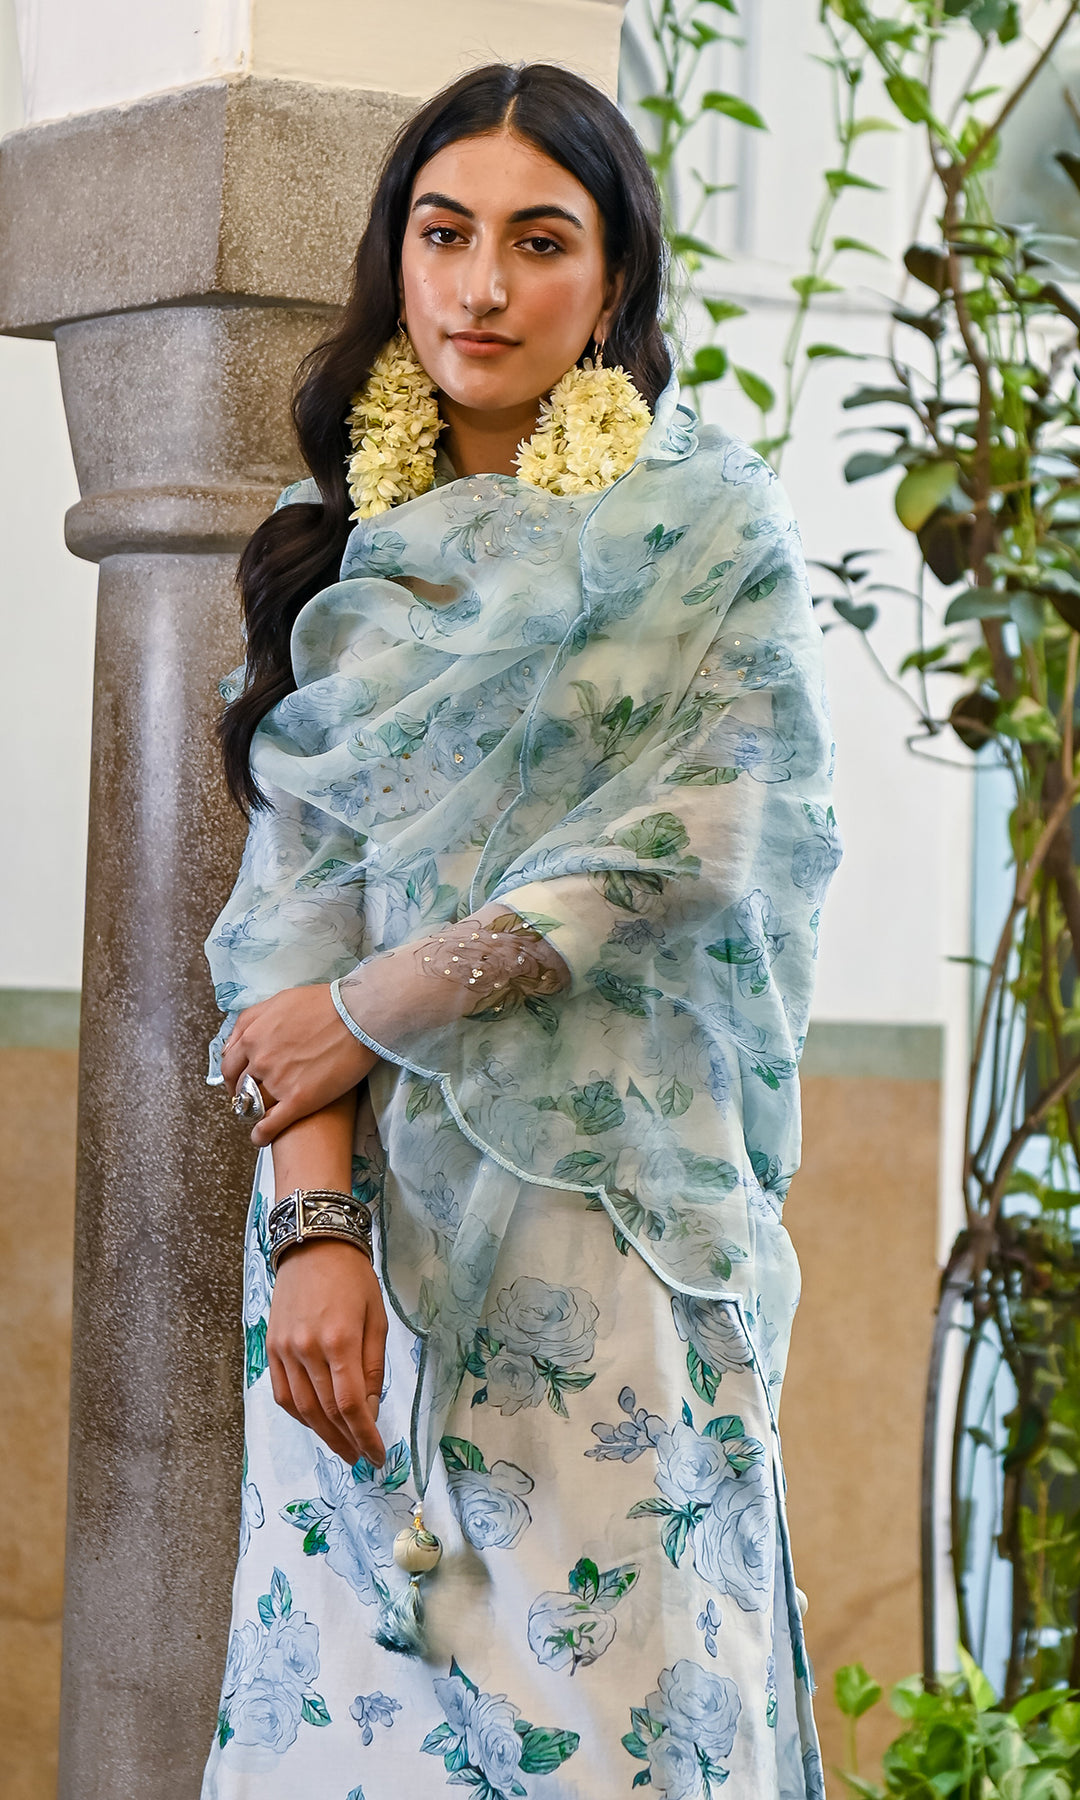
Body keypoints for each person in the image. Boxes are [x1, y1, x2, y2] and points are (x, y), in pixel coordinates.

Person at [201, 59, 839, 1800]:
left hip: (604, 1226)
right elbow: (286, 925)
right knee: (363, 1715)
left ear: (613, 281)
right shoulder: (337, 550)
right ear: (397, 258)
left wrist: (380, 1002)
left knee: (623, 1717)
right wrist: (312, 1230)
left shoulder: (705, 529)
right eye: (445, 233)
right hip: (367, 1251)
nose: (482, 287)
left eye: (539, 241)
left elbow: (712, 831)